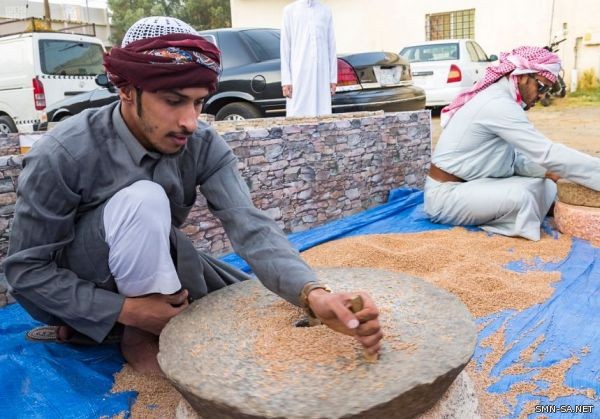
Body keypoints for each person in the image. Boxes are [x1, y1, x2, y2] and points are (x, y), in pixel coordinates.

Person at [3, 16, 382, 374]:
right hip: (73, 282)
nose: (190, 120)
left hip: (148, 263)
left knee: (241, 296)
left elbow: (249, 224)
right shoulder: (63, 152)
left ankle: (105, 326)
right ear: (125, 90)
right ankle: (139, 335)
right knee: (144, 200)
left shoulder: (200, 143)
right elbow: (26, 271)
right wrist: (125, 310)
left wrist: (313, 294)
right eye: (173, 100)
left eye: (199, 102)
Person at [424, 46, 600, 241]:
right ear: (523, 76)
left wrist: (547, 171)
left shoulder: (505, 100)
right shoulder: (498, 103)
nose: (542, 96)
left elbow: (515, 160)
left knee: (546, 184)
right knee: (523, 196)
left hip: (476, 185)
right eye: (541, 87)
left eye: (547, 90)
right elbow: (547, 153)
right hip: (446, 197)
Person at [280, 0, 337, 117]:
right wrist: (286, 80)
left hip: (322, 75)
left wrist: (332, 79)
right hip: (298, 75)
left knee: (323, 116)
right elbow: (285, 48)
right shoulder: (290, 11)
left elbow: (331, 46)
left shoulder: (326, 11)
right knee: (297, 117)